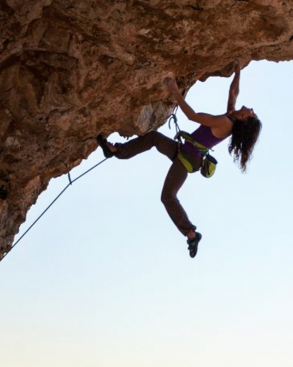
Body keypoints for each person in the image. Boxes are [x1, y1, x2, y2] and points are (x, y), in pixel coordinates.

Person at [96, 65, 262, 258]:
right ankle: (115, 150)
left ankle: (191, 233)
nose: (251, 109)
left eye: (252, 114)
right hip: (185, 152)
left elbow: (192, 116)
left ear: (244, 119)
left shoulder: (224, 123)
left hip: (188, 159)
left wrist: (175, 91)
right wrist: (238, 69)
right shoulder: (231, 116)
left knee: (168, 196)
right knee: (154, 139)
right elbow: (234, 92)